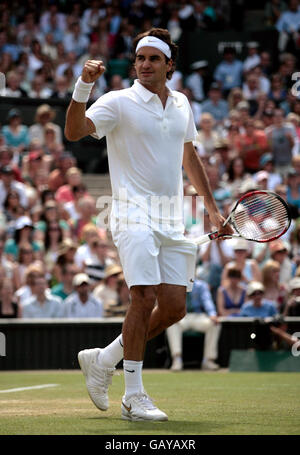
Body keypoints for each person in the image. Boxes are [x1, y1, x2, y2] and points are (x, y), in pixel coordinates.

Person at [65, 27, 231, 422]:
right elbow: (73, 132)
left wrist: (210, 207)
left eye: (153, 59)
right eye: (139, 58)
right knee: (143, 297)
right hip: (130, 212)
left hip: (173, 218)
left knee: (173, 307)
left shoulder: (182, 104)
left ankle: (105, 359)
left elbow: (189, 156)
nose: (143, 65)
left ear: (169, 66)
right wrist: (82, 87)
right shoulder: (118, 101)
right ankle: (133, 395)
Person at [166, 278, 221, 372]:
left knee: (214, 324)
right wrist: (172, 315)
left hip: (198, 316)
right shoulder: (175, 284)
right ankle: (177, 359)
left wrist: (212, 314)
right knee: (172, 324)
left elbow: (207, 300)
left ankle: (208, 360)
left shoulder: (201, 285)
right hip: (181, 317)